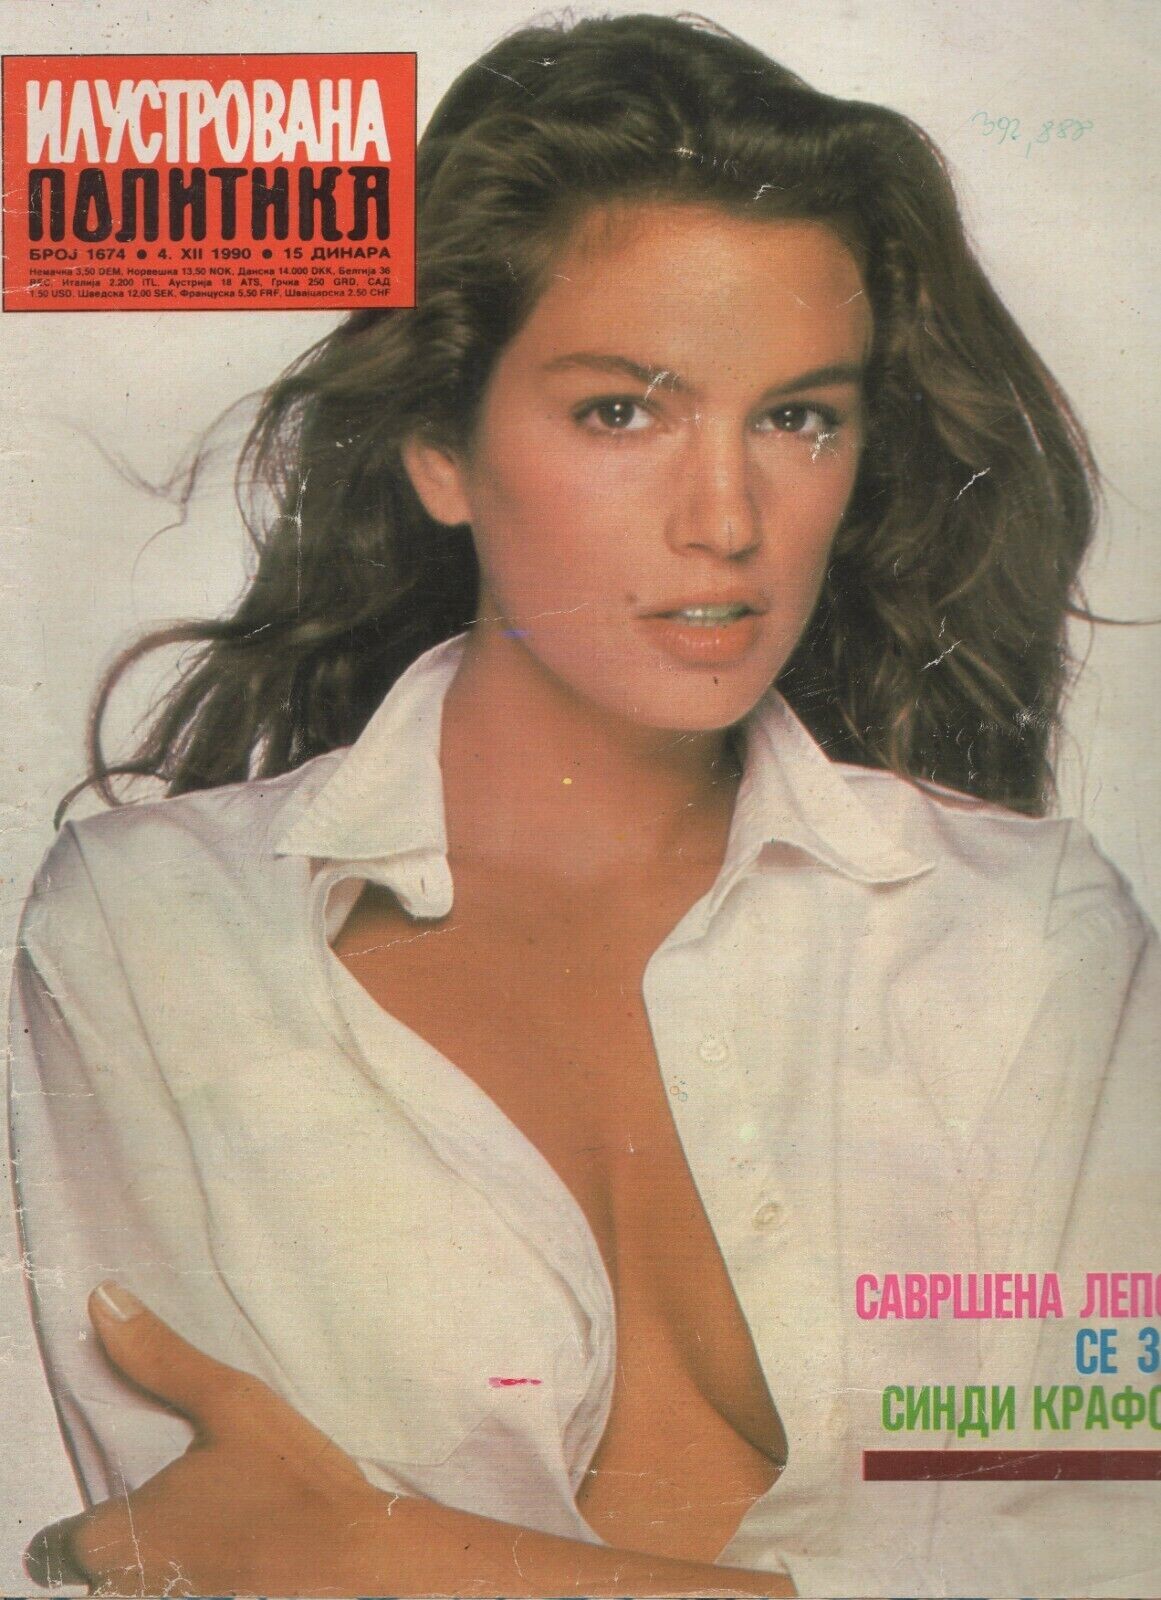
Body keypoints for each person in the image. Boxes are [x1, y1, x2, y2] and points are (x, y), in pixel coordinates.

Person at [9, 12, 1158, 1597]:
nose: (726, 519)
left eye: (796, 417)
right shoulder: (159, 935)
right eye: (621, 410)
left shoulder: (1021, 938)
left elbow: (1110, 1561)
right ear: (439, 446)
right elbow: (207, 1554)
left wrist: (381, 1556)